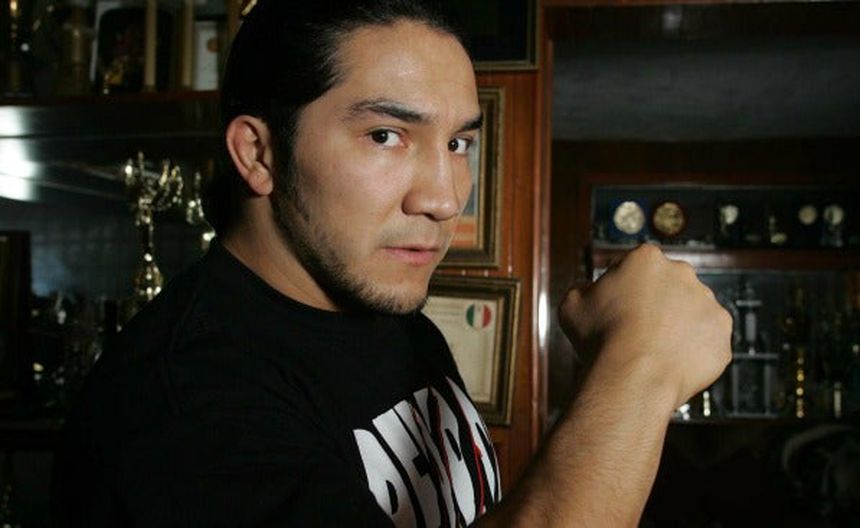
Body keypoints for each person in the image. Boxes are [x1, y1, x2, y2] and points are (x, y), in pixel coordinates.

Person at [56, 1, 732, 526]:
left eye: (459, 143)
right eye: (386, 135)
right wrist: (638, 369)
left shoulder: (396, 322)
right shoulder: (177, 408)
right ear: (259, 154)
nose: (444, 198)